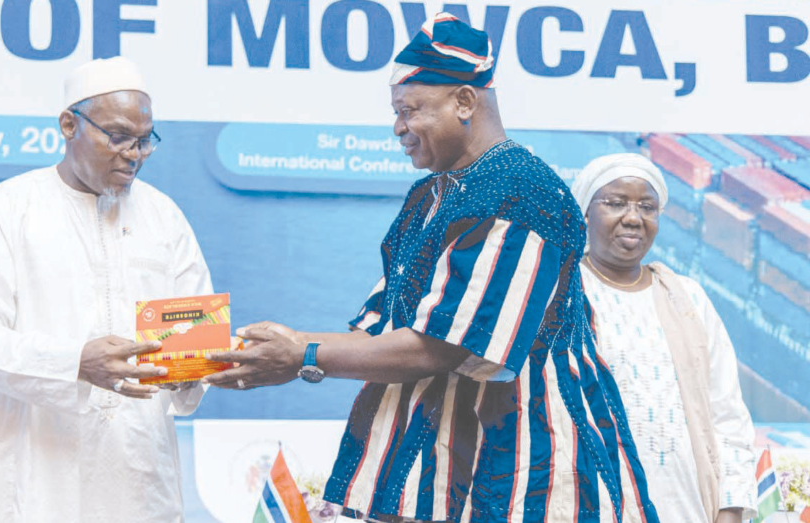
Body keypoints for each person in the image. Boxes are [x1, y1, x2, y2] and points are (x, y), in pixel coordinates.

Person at [205, 14, 659, 523]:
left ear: (464, 101)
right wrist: (259, 349)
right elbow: (386, 331)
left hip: (527, 469)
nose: (398, 128)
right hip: (436, 470)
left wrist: (302, 355)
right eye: (396, 112)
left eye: (409, 110)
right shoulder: (430, 196)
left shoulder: (521, 192)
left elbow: (443, 346)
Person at [0, 57, 212, 523]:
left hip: (141, 485)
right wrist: (75, 363)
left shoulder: (165, 217)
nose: (134, 153)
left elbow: (193, 337)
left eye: (145, 140)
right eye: (119, 136)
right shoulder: (1, 212)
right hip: (38, 487)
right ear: (69, 125)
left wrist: (193, 369)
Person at [571, 153, 757, 523]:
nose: (633, 217)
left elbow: (727, 415)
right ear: (585, 212)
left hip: (688, 506)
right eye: (616, 203)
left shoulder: (687, 298)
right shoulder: (562, 292)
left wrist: (731, 509)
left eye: (647, 207)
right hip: (591, 505)